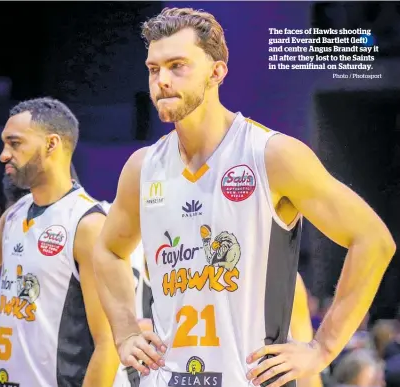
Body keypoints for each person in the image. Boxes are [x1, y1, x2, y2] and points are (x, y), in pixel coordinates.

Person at [93, 7, 396, 387]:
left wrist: (323, 348)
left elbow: (373, 239)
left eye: (177, 66)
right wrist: (124, 330)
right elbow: (107, 251)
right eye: (154, 69)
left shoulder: (271, 155)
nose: (162, 81)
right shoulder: (142, 167)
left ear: (217, 71)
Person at [0, 98, 120, 386]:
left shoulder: (87, 223)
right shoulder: (16, 214)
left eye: (15, 143)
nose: (4, 155)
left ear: (51, 144)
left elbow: (109, 345)